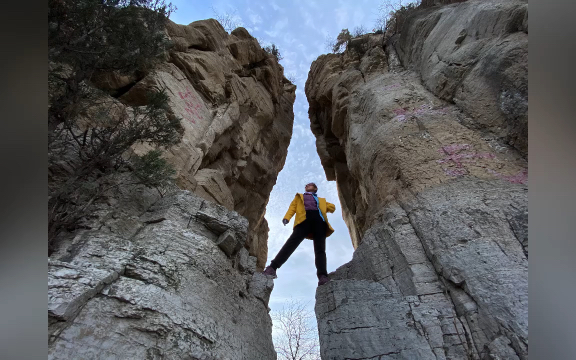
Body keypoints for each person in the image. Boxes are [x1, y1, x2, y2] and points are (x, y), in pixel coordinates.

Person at [262, 182, 336, 286]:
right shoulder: (299, 197)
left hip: (320, 222)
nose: (306, 186)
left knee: (320, 249)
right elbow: (292, 207)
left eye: (309, 185)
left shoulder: (322, 200)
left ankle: (322, 276)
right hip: (304, 220)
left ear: (315, 189)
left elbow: (332, 208)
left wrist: (326, 206)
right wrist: (287, 217)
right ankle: (272, 267)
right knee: (291, 243)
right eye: (305, 185)